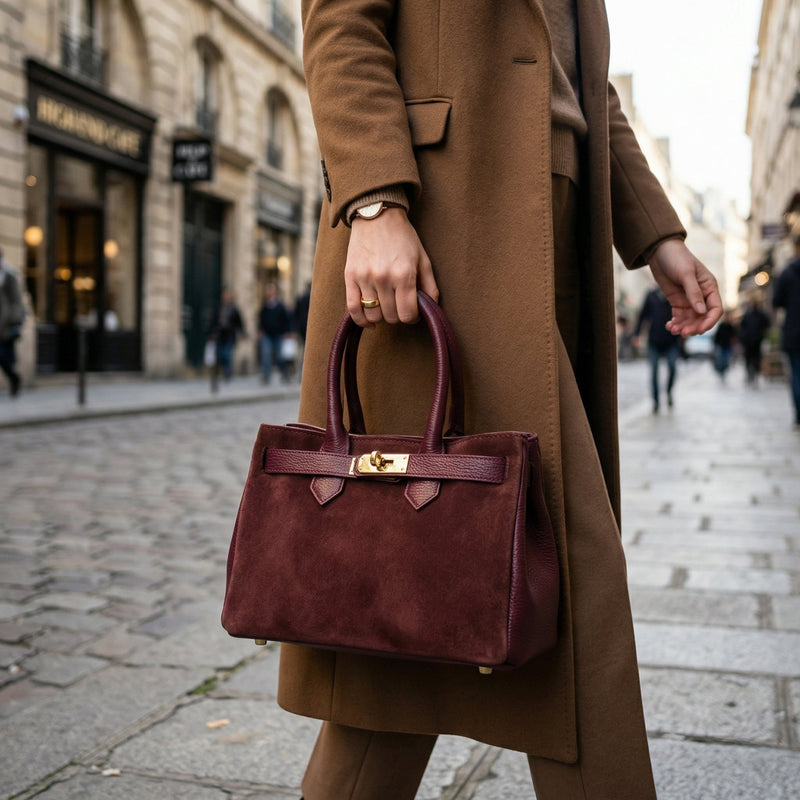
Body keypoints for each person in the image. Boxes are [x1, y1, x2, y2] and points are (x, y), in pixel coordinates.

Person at [290, 2, 722, 799]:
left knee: (418, 604)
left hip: (551, 240)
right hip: (441, 230)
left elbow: (586, 85)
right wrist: (375, 198)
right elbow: (342, 20)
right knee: (541, 575)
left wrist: (657, 234)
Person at [635, 286, 683, 412]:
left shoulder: (673, 293)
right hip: (654, 341)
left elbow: (681, 314)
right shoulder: (651, 295)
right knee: (654, 370)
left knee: (672, 367)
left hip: (671, 340)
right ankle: (656, 401)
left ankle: (668, 391)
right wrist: (636, 334)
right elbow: (642, 316)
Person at [773, 235, 800, 425]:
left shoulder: (787, 272)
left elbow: (776, 302)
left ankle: (799, 415)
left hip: (794, 332)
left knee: (797, 374)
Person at [0, 248, 24, 398]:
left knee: (4, 358)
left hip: (6, 325)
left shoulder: (9, 275)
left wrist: (13, 320)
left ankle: (14, 378)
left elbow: (17, 301)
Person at [258, 283, 292, 383]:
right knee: (266, 354)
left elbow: (286, 320)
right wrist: (260, 330)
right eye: (269, 290)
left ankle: (284, 373)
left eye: (272, 290)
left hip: (279, 334)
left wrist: (287, 332)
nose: (270, 292)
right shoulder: (265, 306)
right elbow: (261, 319)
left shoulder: (280, 306)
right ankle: (266, 375)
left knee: (280, 355)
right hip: (267, 334)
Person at [209, 288, 244, 380]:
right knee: (220, 354)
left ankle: (228, 372)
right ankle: (225, 370)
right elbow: (213, 321)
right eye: (225, 295)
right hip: (220, 335)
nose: (226, 297)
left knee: (227, 353)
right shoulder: (219, 307)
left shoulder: (234, 309)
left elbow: (239, 323)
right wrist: (212, 333)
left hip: (230, 335)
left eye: (228, 295)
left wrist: (240, 334)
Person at [738, 296, 771, 385]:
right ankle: (750, 374)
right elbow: (742, 327)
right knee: (749, 359)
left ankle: (754, 374)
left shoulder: (761, 315)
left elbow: (767, 325)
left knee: (755, 358)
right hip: (749, 341)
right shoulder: (748, 315)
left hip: (756, 341)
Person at [713, 311, 736, 381]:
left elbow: (734, 336)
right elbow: (716, 336)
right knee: (721, 360)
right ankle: (721, 371)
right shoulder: (721, 326)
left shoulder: (731, 327)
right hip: (721, 345)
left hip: (728, 346)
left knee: (726, 360)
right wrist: (716, 344)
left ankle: (723, 372)